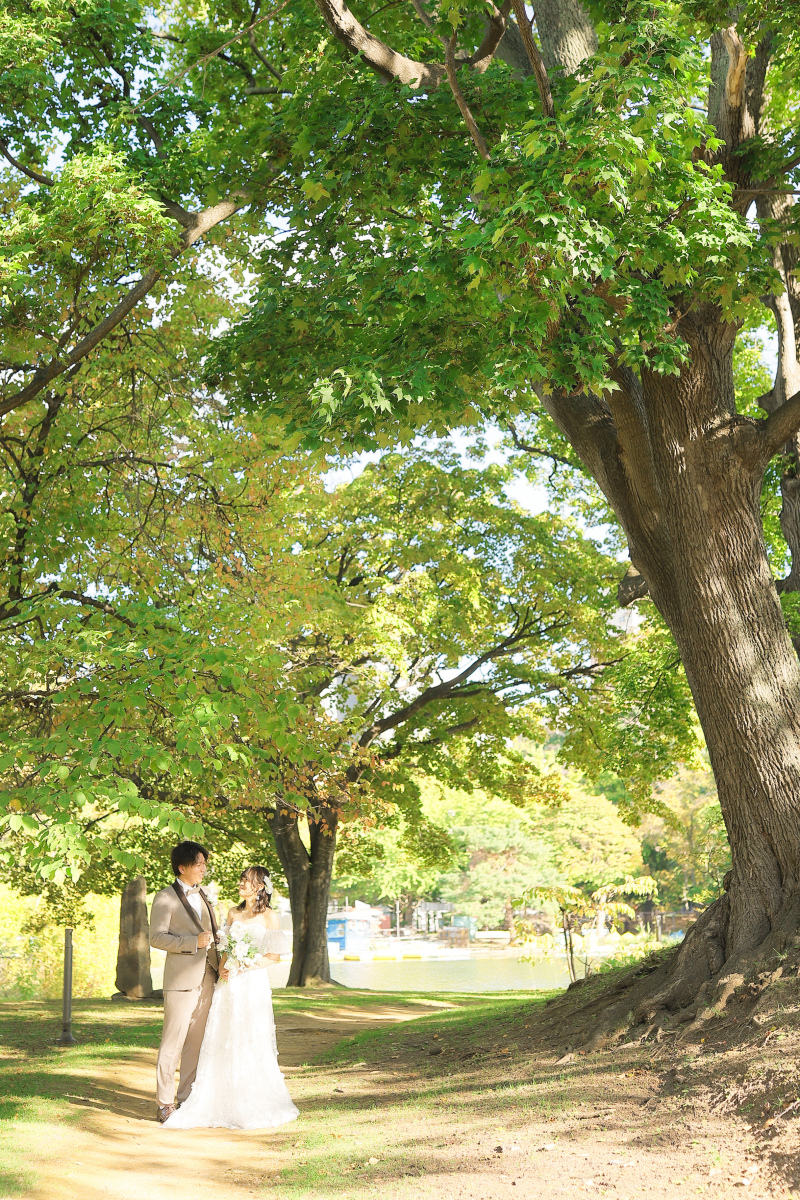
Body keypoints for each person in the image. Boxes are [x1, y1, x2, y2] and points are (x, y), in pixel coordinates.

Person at [164, 865, 298, 1130]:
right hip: (228, 985)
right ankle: (216, 1098)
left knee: (250, 1035)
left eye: (247, 881)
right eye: (241, 879)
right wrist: (225, 965)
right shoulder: (233, 913)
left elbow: (274, 956)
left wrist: (245, 965)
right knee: (223, 1036)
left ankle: (251, 1099)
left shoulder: (270, 917)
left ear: (260, 887)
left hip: (252, 983)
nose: (241, 884)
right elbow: (224, 946)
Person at [149, 840, 219, 1123]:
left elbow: (212, 933)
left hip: (209, 978)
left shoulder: (204, 895)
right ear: (182, 866)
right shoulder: (164, 897)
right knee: (172, 1043)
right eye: (199, 863)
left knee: (195, 1043)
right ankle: (165, 1103)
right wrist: (193, 942)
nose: (204, 868)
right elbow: (156, 937)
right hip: (180, 980)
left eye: (204, 863)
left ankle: (187, 1098)